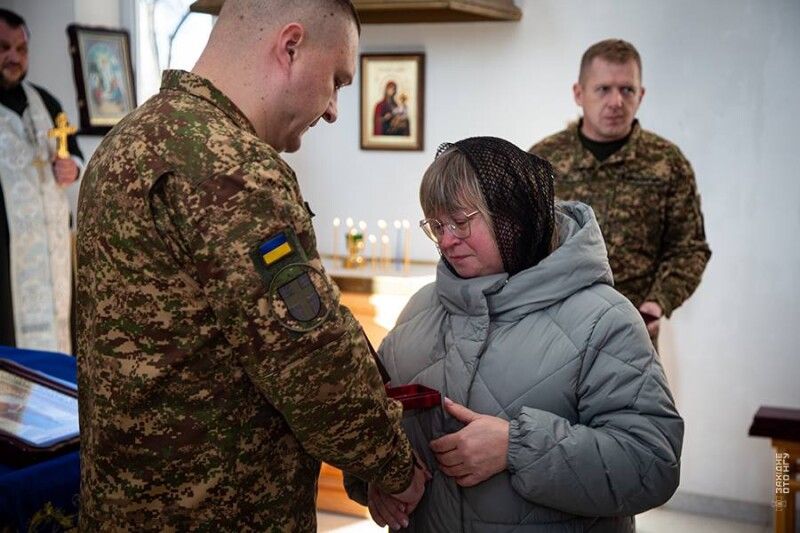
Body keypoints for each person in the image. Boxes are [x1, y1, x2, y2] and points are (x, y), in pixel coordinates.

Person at [76, 0, 426, 530]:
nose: (333, 108)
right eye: (336, 79)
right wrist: (394, 468)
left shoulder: (124, 140)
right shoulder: (232, 165)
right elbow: (311, 356)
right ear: (290, 47)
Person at [347, 137, 683, 531]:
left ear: (513, 218)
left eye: (461, 221)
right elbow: (369, 425)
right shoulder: (421, 308)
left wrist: (517, 449)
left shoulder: (604, 320)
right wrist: (379, 484)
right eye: (436, 225)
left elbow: (652, 462)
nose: (446, 240)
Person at [530, 39, 711, 341]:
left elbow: (689, 249)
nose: (616, 101)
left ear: (641, 95)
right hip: (555, 329)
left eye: (627, 90)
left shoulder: (667, 163)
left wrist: (658, 302)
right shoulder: (542, 160)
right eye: (603, 89)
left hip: (631, 331)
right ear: (579, 93)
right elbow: (520, 241)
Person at [0, 8, 82, 352]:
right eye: (4, 47)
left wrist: (73, 168)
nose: (14, 57)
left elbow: (75, 156)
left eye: (22, 49)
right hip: (7, 254)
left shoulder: (47, 103)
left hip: (53, 249)